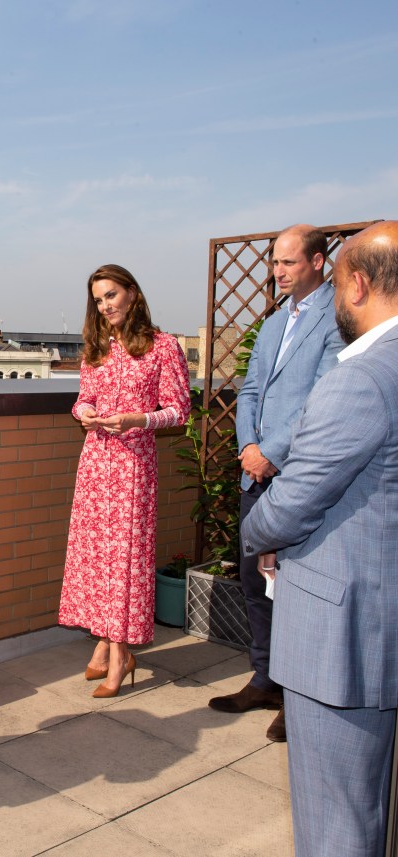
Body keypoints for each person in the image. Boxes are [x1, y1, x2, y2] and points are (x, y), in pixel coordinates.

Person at [241, 220, 398, 857]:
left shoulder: (362, 376)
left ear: (355, 283)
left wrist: (257, 530)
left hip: (347, 636)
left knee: (338, 818)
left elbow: (294, 501)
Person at [208, 224, 343, 742]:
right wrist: (248, 449)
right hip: (255, 474)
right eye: (275, 263)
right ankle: (266, 680)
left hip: (302, 475)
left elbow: (325, 397)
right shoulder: (273, 323)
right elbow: (249, 390)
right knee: (252, 581)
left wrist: (273, 452)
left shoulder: (336, 318)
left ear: (316, 261)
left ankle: (297, 694)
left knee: (296, 588)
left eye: (288, 262)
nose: (278, 271)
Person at [59, 264, 191, 697]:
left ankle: (119, 656)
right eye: (98, 299)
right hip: (96, 463)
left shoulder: (163, 346)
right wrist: (86, 414)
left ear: (132, 293)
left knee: (125, 561)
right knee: (98, 559)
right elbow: (83, 399)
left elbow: (179, 409)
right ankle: (105, 644)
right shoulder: (96, 347)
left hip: (134, 466)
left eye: (111, 295)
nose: (105, 305)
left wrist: (138, 419)